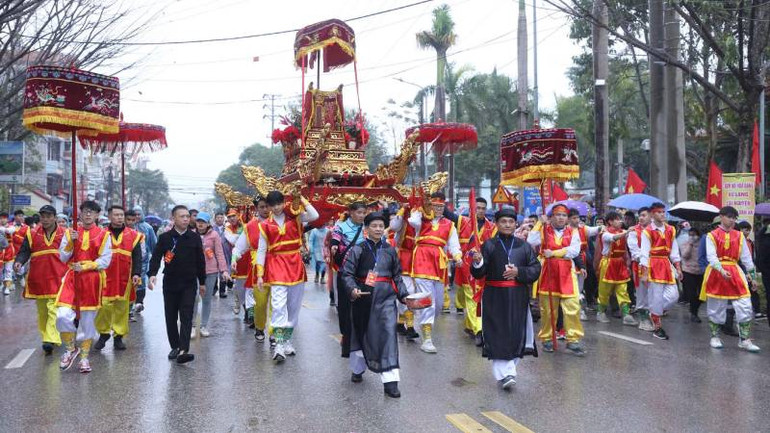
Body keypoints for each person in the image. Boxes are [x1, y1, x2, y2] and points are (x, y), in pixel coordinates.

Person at [471, 208, 541, 390]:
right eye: (503, 222)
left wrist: (519, 272)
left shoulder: (524, 246)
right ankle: (506, 374)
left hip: (517, 296)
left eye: (511, 222)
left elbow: (535, 269)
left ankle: (508, 371)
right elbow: (479, 273)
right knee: (497, 335)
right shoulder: (489, 245)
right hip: (495, 296)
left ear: (515, 223)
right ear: (497, 224)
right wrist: (477, 262)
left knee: (516, 334)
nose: (507, 225)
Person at [341, 212, 409, 398]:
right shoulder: (358, 249)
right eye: (374, 226)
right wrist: (353, 289)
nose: (378, 229)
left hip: (387, 299)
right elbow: (346, 274)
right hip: (364, 298)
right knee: (362, 334)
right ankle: (358, 369)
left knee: (388, 335)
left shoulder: (390, 250)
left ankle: (390, 382)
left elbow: (397, 277)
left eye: (381, 226)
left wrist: (405, 296)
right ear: (366, 229)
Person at [256, 191, 319, 362]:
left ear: (284, 203)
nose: (276, 208)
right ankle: (278, 345)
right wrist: (260, 274)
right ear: (268, 207)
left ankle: (286, 341)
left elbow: (315, 215)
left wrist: (301, 198)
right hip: (276, 266)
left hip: (295, 265)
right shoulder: (264, 225)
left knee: (293, 309)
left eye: (278, 204)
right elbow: (261, 250)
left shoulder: (296, 217)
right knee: (278, 306)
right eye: (272, 205)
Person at [55, 201, 112, 373]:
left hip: (91, 280)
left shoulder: (103, 234)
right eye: (85, 212)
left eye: (92, 212)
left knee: (88, 322)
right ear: (79, 214)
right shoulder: (70, 232)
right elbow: (63, 257)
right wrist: (70, 243)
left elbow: (105, 260)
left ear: (97, 215)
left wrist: (87, 266)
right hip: (72, 278)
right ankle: (71, 349)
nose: (88, 215)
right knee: (62, 315)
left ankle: (85, 358)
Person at [148, 205, 206, 364]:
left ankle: (183, 349)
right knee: (171, 316)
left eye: (188, 216)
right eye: (182, 216)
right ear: (174, 218)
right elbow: (156, 257)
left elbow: (200, 261)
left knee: (186, 315)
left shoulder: (194, 238)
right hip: (171, 283)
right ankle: (175, 345)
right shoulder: (165, 237)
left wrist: (202, 282)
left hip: (189, 283)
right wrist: (152, 274)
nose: (186, 219)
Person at [407, 191, 462, 353]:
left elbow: (454, 245)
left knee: (437, 305)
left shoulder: (449, 224)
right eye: (434, 206)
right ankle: (427, 339)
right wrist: (421, 206)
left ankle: (420, 315)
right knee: (428, 300)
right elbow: (412, 220)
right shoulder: (421, 220)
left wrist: (458, 257)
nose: (437, 209)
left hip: (439, 262)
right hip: (422, 258)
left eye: (440, 206)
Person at [527, 204, 585, 355]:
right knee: (548, 309)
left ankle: (573, 340)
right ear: (551, 217)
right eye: (558, 215)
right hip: (549, 272)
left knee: (572, 306)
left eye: (564, 215)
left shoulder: (573, 232)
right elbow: (531, 241)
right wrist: (540, 222)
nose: (561, 218)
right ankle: (547, 338)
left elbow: (574, 251)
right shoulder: (543, 230)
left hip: (567, 273)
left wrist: (553, 253)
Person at [701, 206, 759, 352]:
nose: (732, 220)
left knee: (745, 304)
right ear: (721, 217)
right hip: (717, 272)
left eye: (734, 218)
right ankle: (715, 336)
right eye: (729, 217)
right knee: (716, 306)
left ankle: (744, 339)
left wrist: (753, 278)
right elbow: (711, 257)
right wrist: (720, 269)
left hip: (735, 272)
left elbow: (746, 258)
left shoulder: (739, 236)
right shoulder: (711, 236)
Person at [94, 206, 143, 351]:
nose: (120, 217)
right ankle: (103, 334)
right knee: (104, 306)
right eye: (116, 215)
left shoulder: (133, 235)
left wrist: (136, 273)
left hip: (124, 276)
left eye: (121, 215)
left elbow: (137, 256)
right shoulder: (101, 234)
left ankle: (118, 336)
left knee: (122, 307)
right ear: (109, 217)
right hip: (105, 276)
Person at [13, 205, 61, 355]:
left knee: (54, 309)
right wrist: (19, 261)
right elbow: (24, 251)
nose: (45, 219)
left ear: (54, 217)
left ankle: (49, 338)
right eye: (43, 216)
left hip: (58, 277)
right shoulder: (32, 233)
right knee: (43, 312)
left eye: (48, 216)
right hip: (38, 277)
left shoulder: (65, 234)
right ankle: (47, 337)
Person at [452, 197, 497, 347]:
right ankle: (479, 330)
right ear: (472, 208)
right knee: (471, 298)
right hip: (466, 267)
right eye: (477, 208)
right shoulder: (463, 222)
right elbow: (446, 213)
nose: (480, 211)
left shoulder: (492, 227)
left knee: (479, 299)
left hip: (484, 268)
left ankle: (471, 325)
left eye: (483, 208)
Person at [230, 196, 272, 343]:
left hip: (278, 266)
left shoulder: (280, 222)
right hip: (258, 269)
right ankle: (260, 327)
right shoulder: (250, 227)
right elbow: (239, 247)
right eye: (262, 207)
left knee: (278, 304)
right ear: (256, 208)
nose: (265, 210)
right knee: (260, 303)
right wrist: (234, 259)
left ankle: (275, 336)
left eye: (268, 206)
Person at [640, 202, 682, 340]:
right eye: (659, 212)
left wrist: (678, 267)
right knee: (656, 296)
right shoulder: (647, 231)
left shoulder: (671, 229)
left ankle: (653, 312)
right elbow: (644, 253)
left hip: (666, 264)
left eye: (663, 212)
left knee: (674, 296)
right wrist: (645, 273)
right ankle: (657, 327)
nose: (662, 214)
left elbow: (674, 251)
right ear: (652, 214)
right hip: (654, 265)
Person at [330, 202, 367, 356]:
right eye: (359, 212)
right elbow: (335, 240)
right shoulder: (341, 227)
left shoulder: (369, 227)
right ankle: (346, 336)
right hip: (346, 273)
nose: (362, 215)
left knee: (365, 305)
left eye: (364, 212)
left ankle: (363, 337)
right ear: (351, 212)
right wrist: (334, 246)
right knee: (345, 308)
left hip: (366, 274)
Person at [596, 211, 637, 326]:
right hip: (608, 263)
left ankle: (626, 314)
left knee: (622, 289)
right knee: (604, 290)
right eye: (617, 219)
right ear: (610, 221)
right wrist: (627, 232)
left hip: (620, 263)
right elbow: (613, 238)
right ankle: (601, 312)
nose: (620, 221)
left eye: (620, 219)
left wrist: (627, 264)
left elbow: (625, 248)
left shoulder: (623, 232)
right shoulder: (605, 233)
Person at [192, 212, 229, 337]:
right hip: (194, 271)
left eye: (203, 221)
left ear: (208, 223)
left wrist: (223, 270)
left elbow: (219, 253)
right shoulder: (191, 234)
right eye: (198, 221)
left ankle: (203, 326)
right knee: (194, 297)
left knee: (206, 299)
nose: (200, 224)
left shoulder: (214, 235)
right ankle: (192, 325)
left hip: (210, 271)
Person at [568, 208, 600, 321]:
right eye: (574, 218)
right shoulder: (565, 231)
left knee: (580, 286)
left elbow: (593, 230)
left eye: (577, 217)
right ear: (569, 219)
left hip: (582, 259)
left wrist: (601, 227)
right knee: (572, 285)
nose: (577, 220)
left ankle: (580, 309)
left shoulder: (583, 229)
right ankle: (574, 309)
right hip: (569, 261)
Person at [628, 207, 653, 331]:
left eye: (644, 215)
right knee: (642, 293)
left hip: (657, 266)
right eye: (640, 215)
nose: (641, 218)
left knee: (655, 292)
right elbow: (635, 252)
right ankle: (643, 319)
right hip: (640, 267)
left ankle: (653, 316)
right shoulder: (634, 231)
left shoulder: (656, 230)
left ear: (651, 216)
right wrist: (646, 258)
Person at [131, 206, 157, 316]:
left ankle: (139, 302)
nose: (137, 216)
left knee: (140, 281)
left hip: (143, 260)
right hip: (128, 258)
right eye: (135, 214)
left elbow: (153, 244)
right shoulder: (128, 227)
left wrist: (155, 259)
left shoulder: (148, 228)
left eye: (139, 214)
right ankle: (130, 304)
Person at [225, 208, 249, 319]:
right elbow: (233, 240)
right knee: (240, 287)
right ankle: (243, 308)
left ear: (238, 215)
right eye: (229, 216)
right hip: (238, 259)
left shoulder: (247, 223)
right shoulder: (228, 229)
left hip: (251, 257)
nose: (231, 218)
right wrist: (245, 232)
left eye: (233, 215)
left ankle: (250, 314)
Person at [736, 220, 763, 318]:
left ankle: (757, 311)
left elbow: (751, 256)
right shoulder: (737, 240)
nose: (747, 232)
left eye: (748, 230)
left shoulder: (750, 242)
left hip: (749, 268)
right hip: (740, 269)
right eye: (745, 230)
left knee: (754, 289)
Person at [680, 227, 704, 322]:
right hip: (688, 271)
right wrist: (690, 244)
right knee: (692, 295)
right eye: (690, 234)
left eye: (694, 234)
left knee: (703, 295)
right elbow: (685, 255)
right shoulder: (685, 244)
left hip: (701, 271)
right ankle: (694, 313)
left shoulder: (703, 244)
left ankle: (693, 309)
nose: (692, 236)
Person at [0, 212, 18, 294]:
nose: (2, 220)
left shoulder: (12, 227)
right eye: (0, 218)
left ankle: (7, 287)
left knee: (8, 269)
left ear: (7, 219)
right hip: (0, 249)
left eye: (3, 218)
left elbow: (8, 231)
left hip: (9, 250)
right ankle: (1, 284)